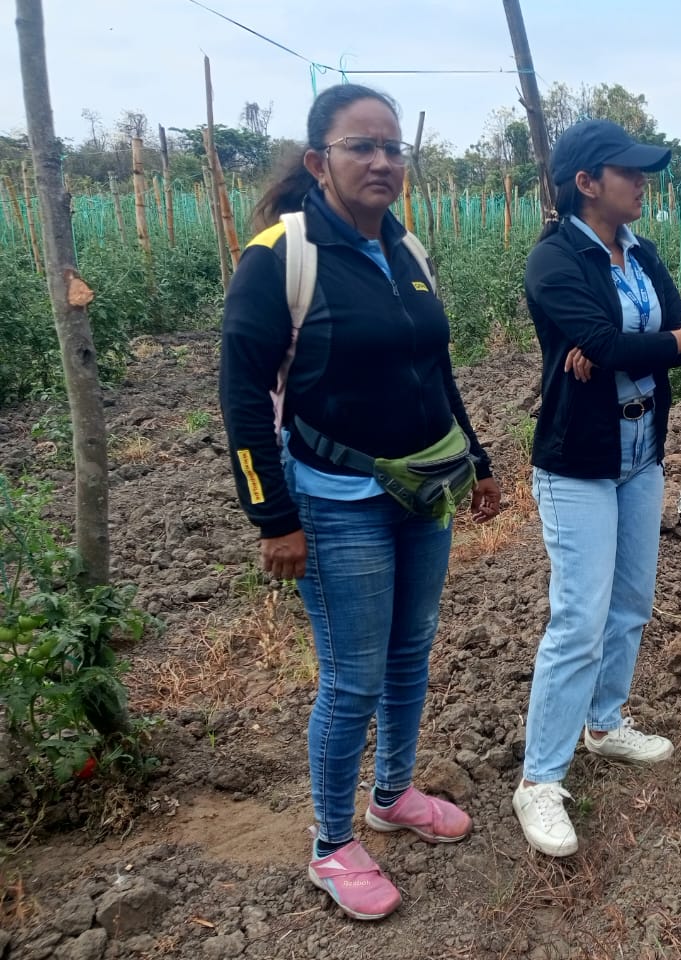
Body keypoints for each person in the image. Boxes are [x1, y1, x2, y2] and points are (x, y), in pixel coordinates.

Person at [219, 83, 501, 920]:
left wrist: (478, 458)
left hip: (423, 490)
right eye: (360, 146)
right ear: (319, 161)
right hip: (335, 501)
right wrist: (273, 517)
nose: (381, 161)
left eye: (392, 147)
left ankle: (393, 794)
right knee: (351, 678)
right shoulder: (281, 255)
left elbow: (435, 368)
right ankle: (332, 843)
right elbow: (241, 395)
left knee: (411, 652)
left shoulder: (406, 248)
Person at [513, 119, 681, 857]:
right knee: (579, 618)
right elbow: (617, 341)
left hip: (641, 452)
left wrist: (630, 349)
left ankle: (604, 723)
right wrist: (638, 346)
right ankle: (539, 780)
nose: (642, 182)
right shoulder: (554, 258)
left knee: (630, 603)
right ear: (587, 182)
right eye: (629, 171)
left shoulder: (641, 252)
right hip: (578, 462)